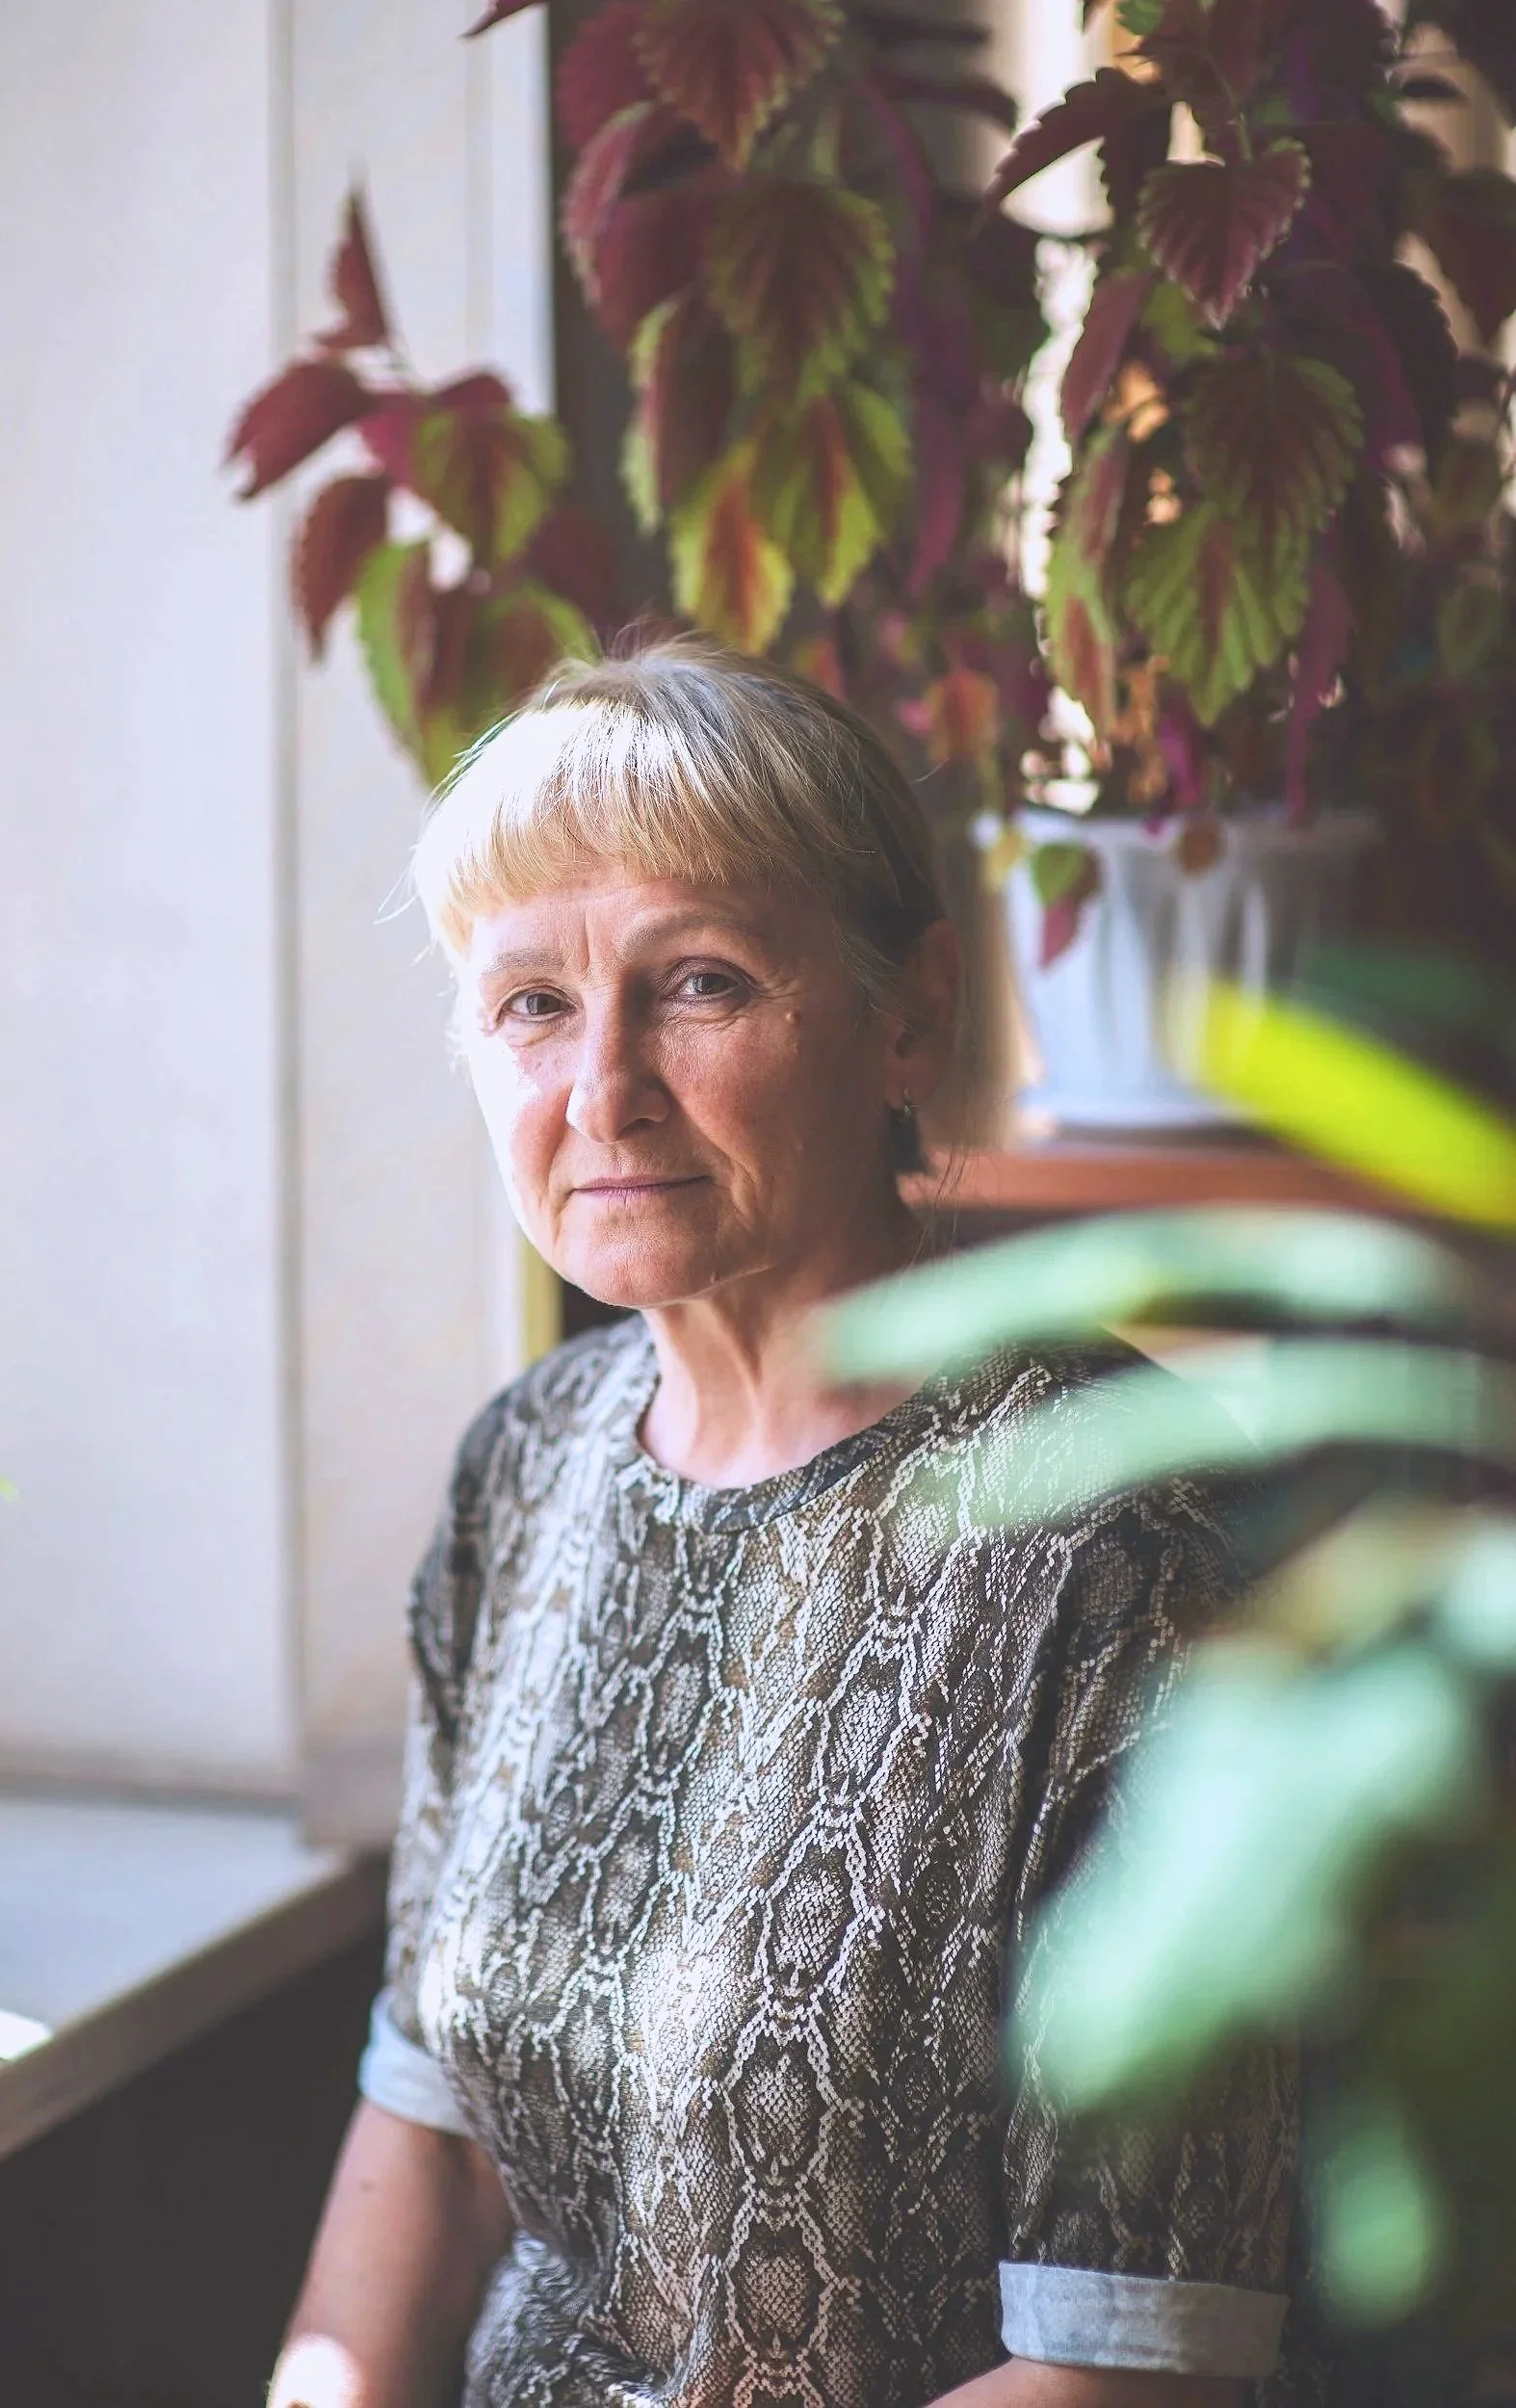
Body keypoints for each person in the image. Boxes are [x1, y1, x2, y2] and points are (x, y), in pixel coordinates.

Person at [268, 639, 1300, 2408]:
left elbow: (1132, 2365)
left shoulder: (1124, 1544)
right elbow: (426, 2131)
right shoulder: (523, 1472)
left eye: (701, 985)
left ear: (910, 1017)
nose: (603, 1092)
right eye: (530, 1004)